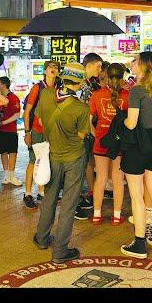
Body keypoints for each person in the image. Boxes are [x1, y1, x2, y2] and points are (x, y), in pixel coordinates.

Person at [33, 62, 91, 263]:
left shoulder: (47, 95)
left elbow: (40, 121)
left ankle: (41, 238)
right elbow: (83, 135)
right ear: (81, 81)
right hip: (73, 159)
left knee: (49, 198)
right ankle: (60, 251)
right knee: (68, 204)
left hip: (52, 155)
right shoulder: (80, 107)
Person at [120, 52, 152, 259]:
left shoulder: (137, 91)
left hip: (138, 142)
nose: (132, 64)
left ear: (143, 66)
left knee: (136, 195)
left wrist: (121, 122)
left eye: (135, 61)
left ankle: (139, 243)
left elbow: (131, 123)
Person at [90, 63, 128, 225]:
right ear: (122, 78)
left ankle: (97, 215)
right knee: (118, 180)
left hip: (100, 142)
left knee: (101, 178)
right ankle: (117, 216)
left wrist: (97, 134)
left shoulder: (97, 95)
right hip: (119, 144)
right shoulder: (128, 95)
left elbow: (88, 121)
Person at [23, 60, 60, 209]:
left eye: (55, 67)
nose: (53, 69)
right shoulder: (37, 88)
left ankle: (42, 191)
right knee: (34, 160)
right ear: (44, 71)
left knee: (47, 160)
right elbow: (26, 112)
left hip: (52, 131)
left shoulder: (59, 88)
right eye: (50, 67)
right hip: (37, 130)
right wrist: (27, 132)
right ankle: (27, 193)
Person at [75, 52, 104, 221]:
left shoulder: (87, 83)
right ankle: (76, 203)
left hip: (82, 132)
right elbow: (84, 112)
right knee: (78, 168)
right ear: (89, 65)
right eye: (98, 66)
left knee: (83, 165)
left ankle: (79, 200)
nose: (100, 70)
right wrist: (94, 133)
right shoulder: (84, 85)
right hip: (81, 133)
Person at [0, 76, 22, 186]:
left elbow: (17, 114)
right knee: (3, 152)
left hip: (10, 130)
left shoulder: (13, 98)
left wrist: (3, 123)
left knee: (12, 152)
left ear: (3, 85)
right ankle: (6, 176)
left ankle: (12, 175)